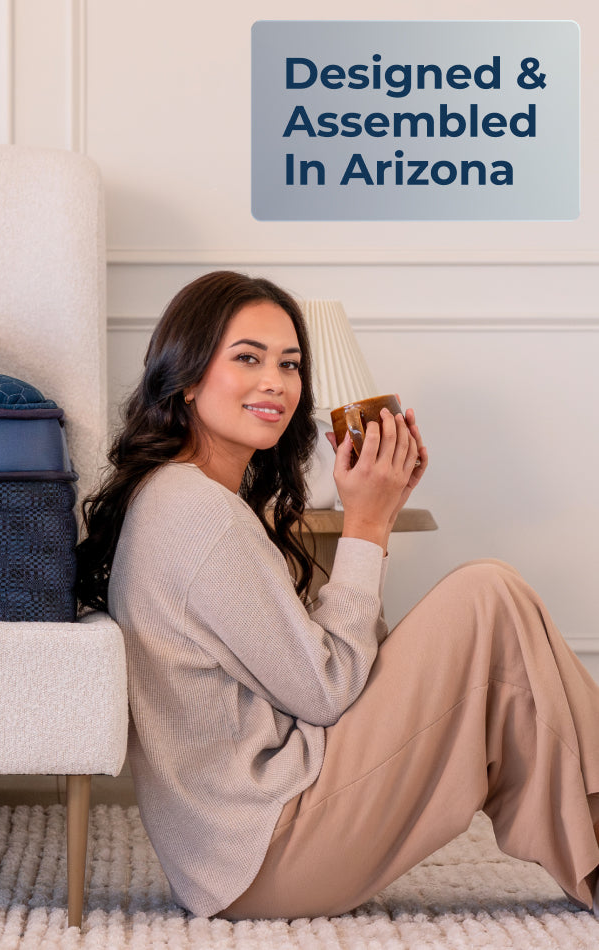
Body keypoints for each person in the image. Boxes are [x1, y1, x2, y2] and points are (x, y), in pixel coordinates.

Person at [75, 269, 599, 919]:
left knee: (502, 629)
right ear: (185, 378)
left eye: (290, 364)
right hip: (270, 851)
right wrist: (368, 523)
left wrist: (374, 515)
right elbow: (326, 692)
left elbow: (330, 680)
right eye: (248, 358)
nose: (276, 381)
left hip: (244, 853)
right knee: (487, 596)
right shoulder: (194, 512)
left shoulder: (186, 500)